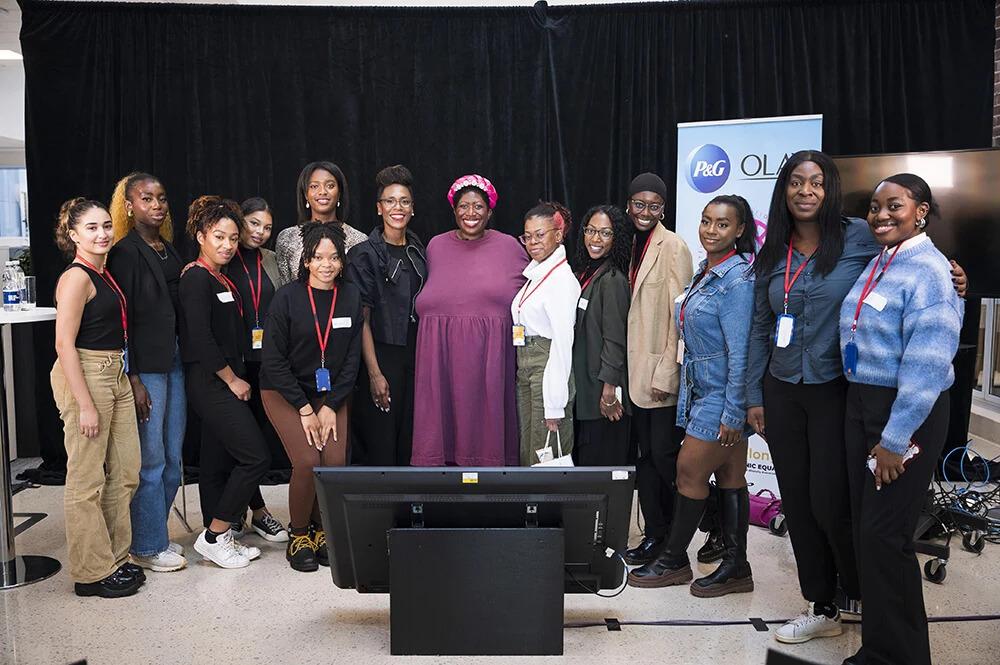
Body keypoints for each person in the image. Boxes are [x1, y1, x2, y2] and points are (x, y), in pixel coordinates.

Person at [745, 151, 968, 644]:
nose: (806, 191)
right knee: (798, 504)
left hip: (836, 392)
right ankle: (821, 603)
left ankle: (860, 594)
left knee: (832, 502)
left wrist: (958, 281)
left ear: (830, 191)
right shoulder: (771, 251)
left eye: (818, 183)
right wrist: (753, 395)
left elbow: (918, 261)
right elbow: (761, 326)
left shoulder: (861, 236)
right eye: (796, 183)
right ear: (783, 191)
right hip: (781, 391)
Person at [838, 174, 962, 665]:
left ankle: (900, 657)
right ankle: (882, 648)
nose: (882, 215)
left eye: (895, 206)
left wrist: (894, 438)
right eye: (874, 207)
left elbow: (928, 365)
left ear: (922, 211)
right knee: (869, 533)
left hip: (904, 411)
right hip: (863, 403)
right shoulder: (881, 262)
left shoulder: (930, 270)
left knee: (884, 537)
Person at [628, 195, 756, 598]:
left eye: (722, 224)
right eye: (705, 221)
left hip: (721, 397)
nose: (710, 230)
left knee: (688, 472)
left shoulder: (736, 281)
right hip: (702, 392)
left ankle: (673, 559)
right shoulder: (705, 272)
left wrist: (733, 412)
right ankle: (737, 566)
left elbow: (741, 353)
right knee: (732, 477)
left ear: (739, 230)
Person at [50, 198, 143, 597]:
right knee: (87, 479)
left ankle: (116, 560)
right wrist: (85, 403)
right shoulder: (76, 278)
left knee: (125, 473)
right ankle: (91, 573)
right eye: (91, 228)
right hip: (86, 374)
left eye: (106, 225)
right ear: (72, 235)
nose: (102, 233)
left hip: (115, 373)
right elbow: (63, 345)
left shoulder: (103, 272)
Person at [261, 223, 363, 572]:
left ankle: (323, 530)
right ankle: (299, 533)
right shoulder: (287, 298)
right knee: (307, 460)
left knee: (333, 462)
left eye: (334, 257)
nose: (326, 264)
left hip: (330, 393)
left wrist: (331, 405)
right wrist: (306, 409)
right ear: (306, 261)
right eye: (318, 257)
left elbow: (351, 360)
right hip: (285, 390)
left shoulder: (350, 296)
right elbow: (273, 361)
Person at [410, 174, 528, 466]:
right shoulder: (435, 246)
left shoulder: (510, 247)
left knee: (485, 427)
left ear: (490, 211)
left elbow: (533, 296)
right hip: (439, 359)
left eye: (478, 206)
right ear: (453, 210)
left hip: (490, 358)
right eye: (464, 206)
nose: (470, 213)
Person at [179, 196, 269, 569]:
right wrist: (232, 379)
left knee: (217, 461)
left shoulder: (222, 278)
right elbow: (200, 339)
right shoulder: (195, 277)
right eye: (219, 237)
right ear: (201, 235)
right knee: (256, 457)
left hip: (228, 380)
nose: (227, 245)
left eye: (233, 238)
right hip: (212, 383)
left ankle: (221, 535)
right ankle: (214, 536)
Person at [107, 172, 187, 573]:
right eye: (146, 198)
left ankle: (154, 532)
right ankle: (147, 545)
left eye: (161, 197)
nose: (156, 205)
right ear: (129, 205)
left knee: (173, 459)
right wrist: (133, 378)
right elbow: (123, 321)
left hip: (174, 361)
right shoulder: (124, 252)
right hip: (147, 368)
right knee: (151, 461)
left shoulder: (166, 248)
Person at [622, 173, 694, 566]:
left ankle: (690, 529)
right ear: (629, 204)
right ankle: (655, 534)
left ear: (664, 208)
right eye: (639, 204)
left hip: (659, 376)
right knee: (646, 460)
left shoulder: (674, 246)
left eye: (654, 206)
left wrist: (669, 372)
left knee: (665, 459)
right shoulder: (629, 243)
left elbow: (681, 318)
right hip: (633, 378)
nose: (645, 212)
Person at [345, 165, 426, 465]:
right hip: (380, 356)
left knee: (411, 436)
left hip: (416, 356)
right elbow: (362, 319)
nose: (398, 207)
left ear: (413, 209)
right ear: (379, 208)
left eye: (404, 201)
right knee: (381, 441)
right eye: (390, 201)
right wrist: (375, 374)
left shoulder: (420, 251)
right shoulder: (363, 255)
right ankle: (383, 511)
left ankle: (411, 510)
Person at [225, 197, 288, 543]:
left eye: (266, 227)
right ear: (239, 221)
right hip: (233, 365)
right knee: (241, 444)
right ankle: (253, 511)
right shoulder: (224, 258)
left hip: (268, 363)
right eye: (253, 224)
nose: (260, 233)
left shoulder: (273, 261)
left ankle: (250, 511)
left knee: (259, 440)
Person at [511, 201, 580, 465]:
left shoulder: (561, 279)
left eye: (540, 234)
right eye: (527, 236)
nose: (532, 242)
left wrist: (555, 404)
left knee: (547, 456)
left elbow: (563, 344)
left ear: (558, 235)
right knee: (530, 451)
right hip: (526, 366)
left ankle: (549, 508)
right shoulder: (537, 275)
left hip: (546, 370)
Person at [572, 205, 632, 466]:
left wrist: (610, 390)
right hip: (586, 389)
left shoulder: (613, 279)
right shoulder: (588, 274)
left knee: (601, 470)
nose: (595, 239)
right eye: (591, 231)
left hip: (602, 398)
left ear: (616, 238)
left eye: (605, 233)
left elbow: (615, 339)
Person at [274, 161, 367, 284]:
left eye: (330, 186)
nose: (322, 191)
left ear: (339, 193)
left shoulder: (359, 240)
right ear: (305, 194)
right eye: (314, 186)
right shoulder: (287, 239)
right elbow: (284, 288)